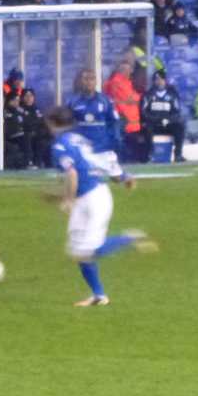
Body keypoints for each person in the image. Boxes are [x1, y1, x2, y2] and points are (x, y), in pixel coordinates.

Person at [46, 104, 156, 307]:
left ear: (52, 123)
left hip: (94, 199)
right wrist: (122, 177)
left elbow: (72, 174)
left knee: (89, 250)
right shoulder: (78, 139)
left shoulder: (60, 145)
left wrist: (67, 200)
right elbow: (100, 161)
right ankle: (98, 296)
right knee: (77, 251)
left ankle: (130, 238)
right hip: (87, 198)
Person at [140, 69, 187, 163]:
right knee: (147, 129)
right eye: (156, 79)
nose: (159, 82)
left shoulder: (172, 94)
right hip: (153, 123)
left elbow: (176, 111)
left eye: (161, 79)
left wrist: (168, 120)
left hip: (168, 123)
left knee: (180, 127)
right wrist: (154, 119)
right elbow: (143, 111)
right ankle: (149, 155)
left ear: (165, 80)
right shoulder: (148, 95)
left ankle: (178, 154)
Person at [67, 68, 118, 155]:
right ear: (80, 81)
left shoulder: (105, 100)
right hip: (81, 146)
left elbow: (113, 121)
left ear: (96, 81)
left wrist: (113, 139)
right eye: (86, 79)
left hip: (102, 145)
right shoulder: (72, 101)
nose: (89, 82)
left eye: (92, 79)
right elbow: (67, 123)